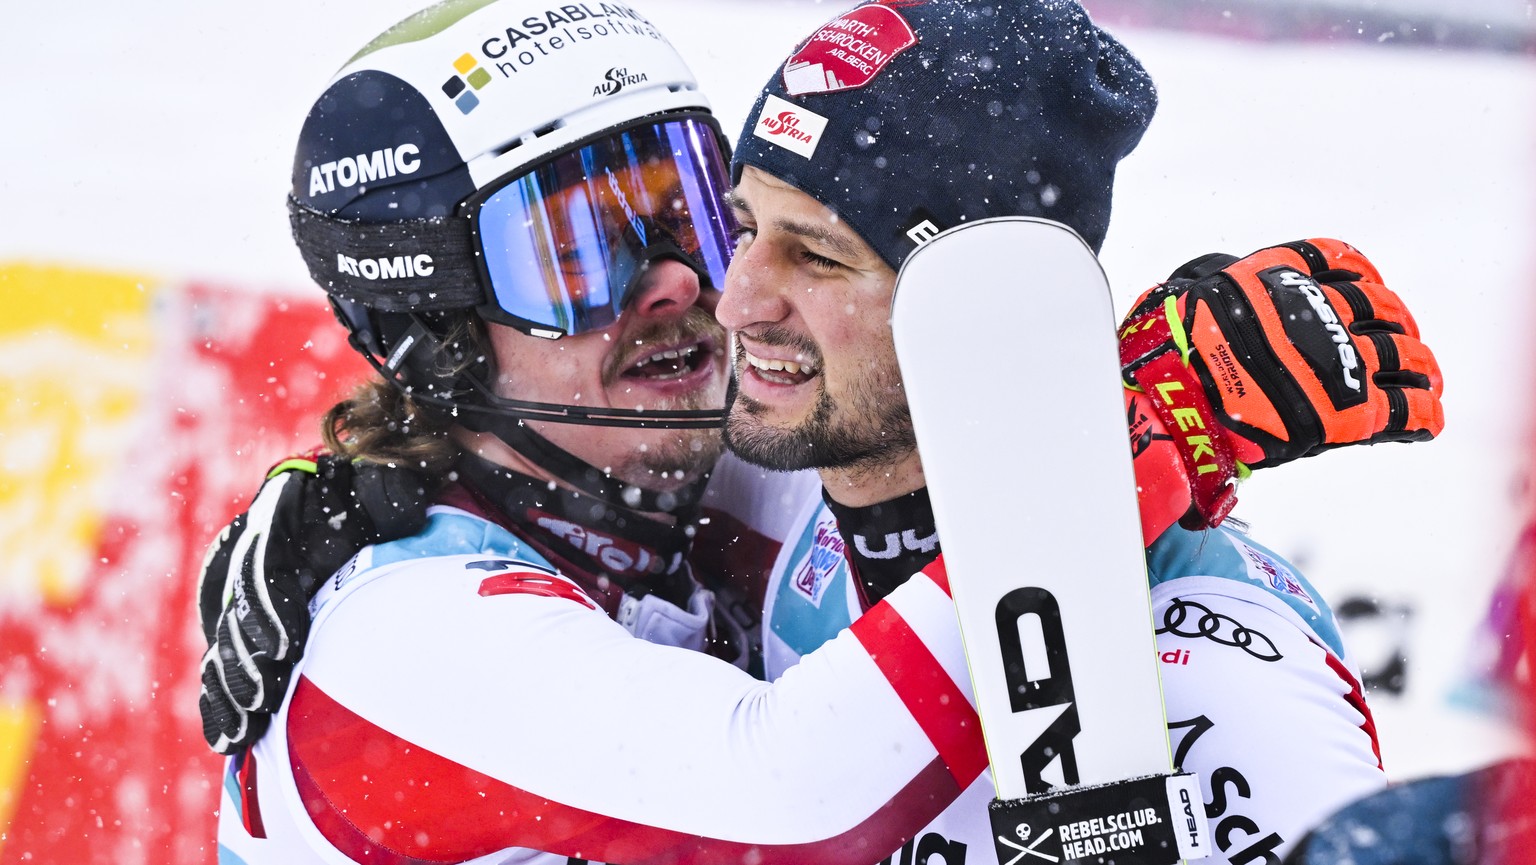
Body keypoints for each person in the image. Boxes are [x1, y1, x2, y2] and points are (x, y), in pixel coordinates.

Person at [200, 0, 1445, 862]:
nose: (689, 284)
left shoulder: (660, 479)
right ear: (442, 328)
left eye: (687, 208)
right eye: (580, 252)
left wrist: (1114, 394)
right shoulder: (401, 632)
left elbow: (914, 432)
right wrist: (1126, 438)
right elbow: (791, 799)